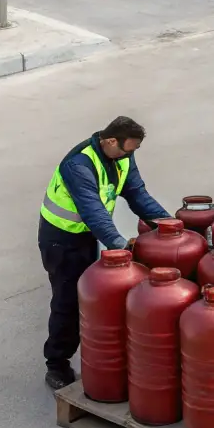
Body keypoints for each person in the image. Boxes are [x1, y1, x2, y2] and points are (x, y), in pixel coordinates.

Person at [38, 115, 171, 390]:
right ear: (111, 141)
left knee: (90, 298)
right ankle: (56, 364)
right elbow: (93, 212)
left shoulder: (122, 156)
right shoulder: (78, 164)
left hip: (86, 237)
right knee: (67, 302)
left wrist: (170, 225)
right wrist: (122, 246)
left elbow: (137, 194)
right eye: (127, 149)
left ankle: (97, 357)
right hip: (60, 240)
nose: (130, 155)